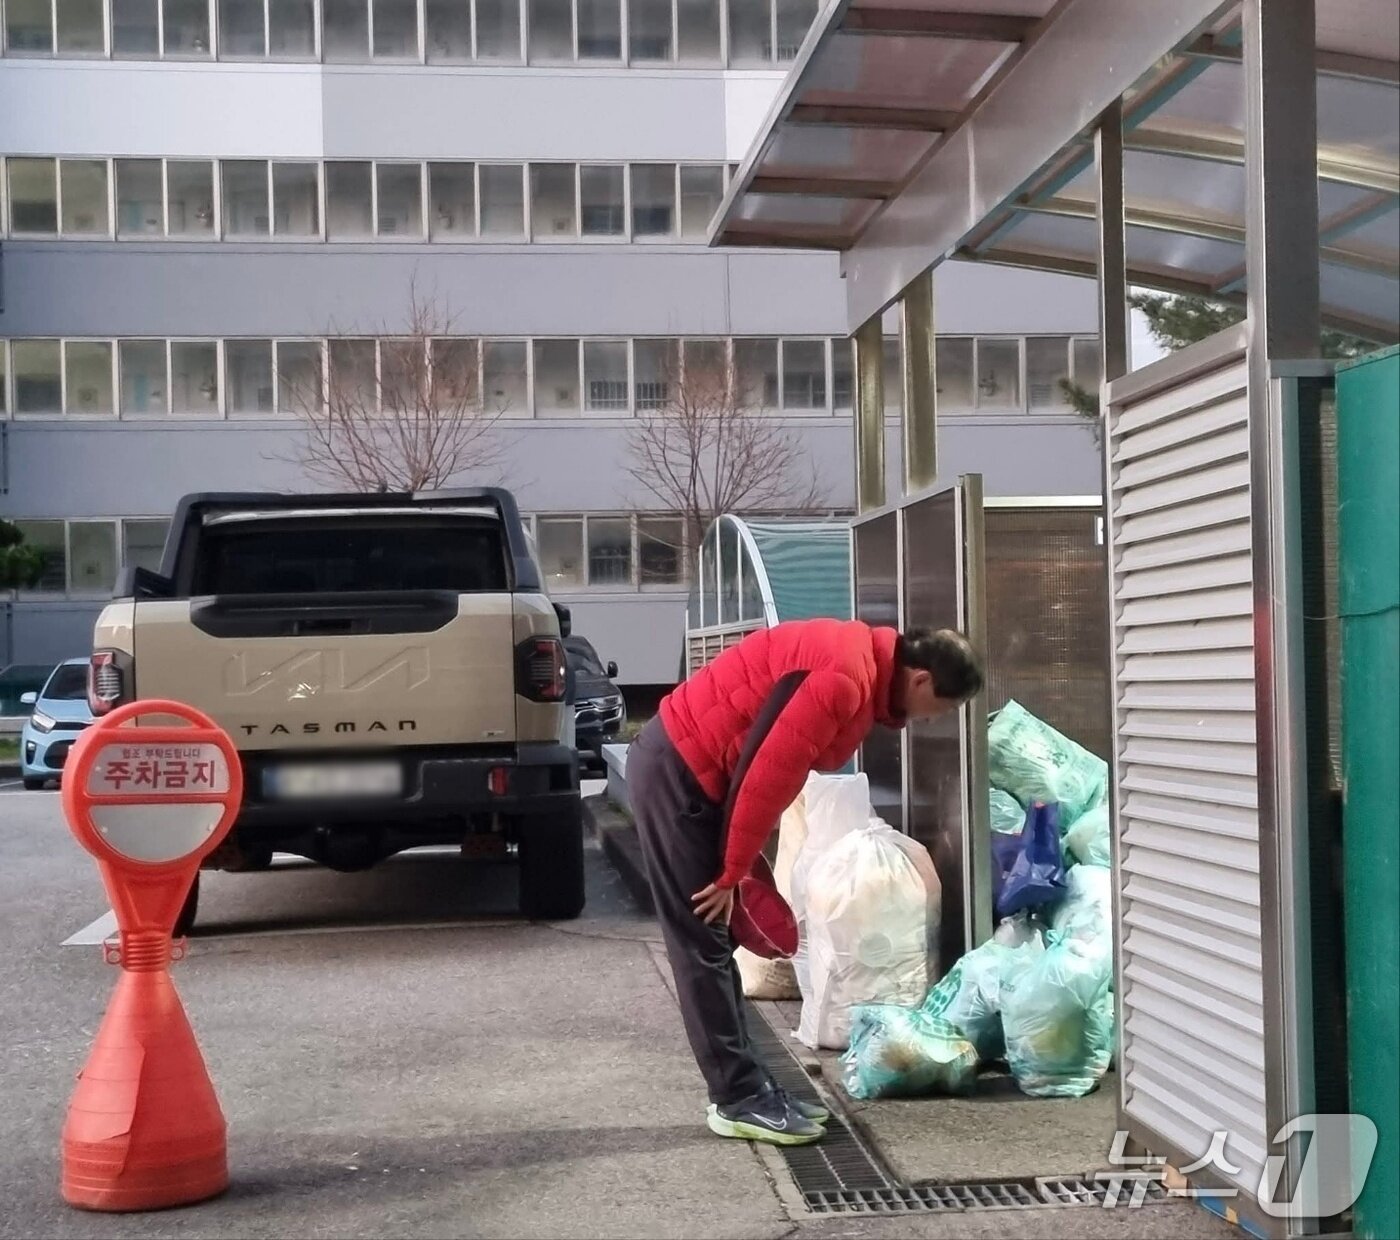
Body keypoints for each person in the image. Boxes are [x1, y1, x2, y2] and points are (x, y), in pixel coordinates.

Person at [628, 619, 984, 1145]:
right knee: (701, 939)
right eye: (947, 708)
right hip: (679, 774)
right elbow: (765, 775)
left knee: (716, 940)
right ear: (922, 680)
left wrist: (738, 864)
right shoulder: (843, 677)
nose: (937, 721)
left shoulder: (858, 661)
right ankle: (737, 1098)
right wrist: (731, 872)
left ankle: (750, 1087)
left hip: (693, 768)